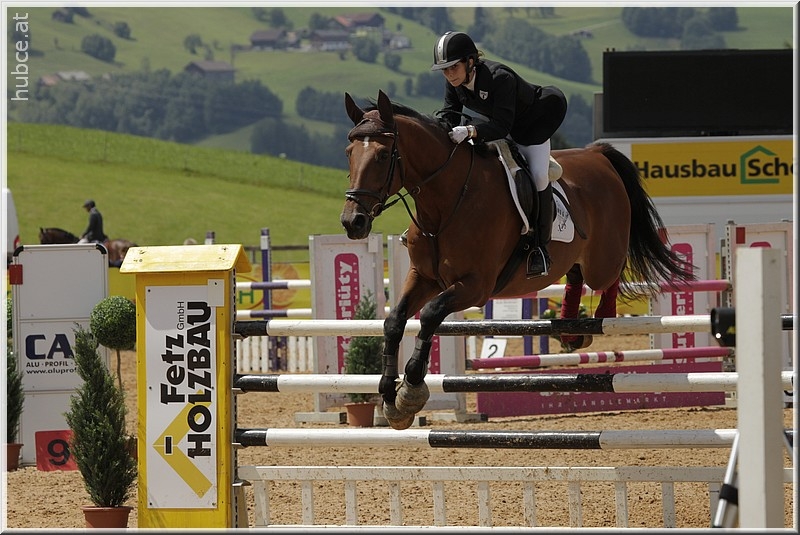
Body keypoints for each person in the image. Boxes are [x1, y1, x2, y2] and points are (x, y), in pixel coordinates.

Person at [428, 31, 567, 278]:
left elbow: (502, 126)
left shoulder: (500, 78)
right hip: (500, 128)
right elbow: (450, 115)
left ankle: (540, 247)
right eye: (444, 70)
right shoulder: (455, 83)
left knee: (538, 176)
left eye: (453, 67)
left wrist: (470, 131)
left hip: (531, 127)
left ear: (470, 61)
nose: (449, 74)